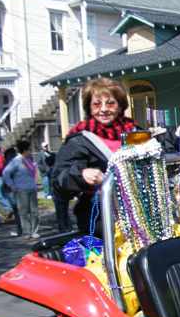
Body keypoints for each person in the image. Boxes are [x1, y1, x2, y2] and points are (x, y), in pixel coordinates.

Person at [52, 78, 139, 233]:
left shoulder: (136, 133)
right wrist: (80, 174)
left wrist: (178, 137)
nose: (103, 109)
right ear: (90, 109)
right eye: (97, 104)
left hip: (139, 212)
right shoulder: (79, 140)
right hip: (99, 217)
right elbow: (59, 182)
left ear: (120, 106)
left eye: (110, 103)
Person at [4, 140, 40, 239]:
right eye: (29, 149)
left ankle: (35, 232)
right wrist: (11, 186)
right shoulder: (16, 161)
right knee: (23, 212)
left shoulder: (29, 160)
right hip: (21, 190)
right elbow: (6, 173)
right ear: (24, 150)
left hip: (32, 188)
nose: (30, 151)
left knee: (34, 211)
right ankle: (26, 232)